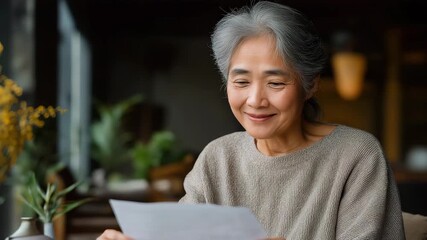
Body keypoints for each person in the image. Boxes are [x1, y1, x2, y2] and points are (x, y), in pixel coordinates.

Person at [97, 1, 405, 239]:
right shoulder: (218, 158)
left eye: (276, 83)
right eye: (241, 82)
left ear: (310, 85)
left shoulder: (357, 155)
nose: (255, 100)